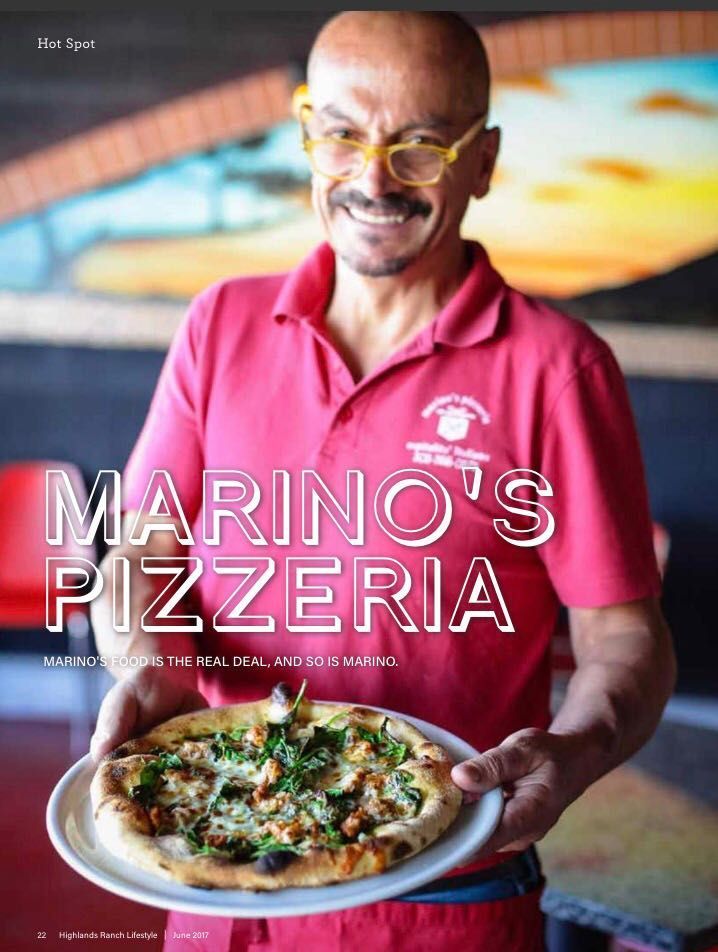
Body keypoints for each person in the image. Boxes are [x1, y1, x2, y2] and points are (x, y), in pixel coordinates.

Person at [90, 11, 676, 952]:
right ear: (306, 135)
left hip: (448, 894)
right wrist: (144, 661)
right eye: (343, 135)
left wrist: (576, 750)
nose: (373, 178)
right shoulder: (218, 324)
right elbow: (142, 550)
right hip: (217, 857)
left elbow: (623, 634)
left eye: (420, 145)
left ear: (483, 162)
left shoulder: (559, 369)